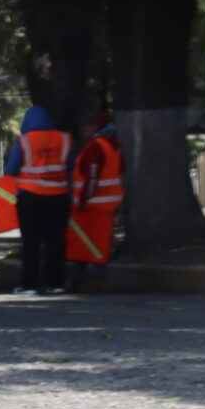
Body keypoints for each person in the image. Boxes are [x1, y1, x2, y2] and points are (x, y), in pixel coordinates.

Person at [4, 103, 73, 295]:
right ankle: (56, 284)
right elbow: (71, 165)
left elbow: (10, 170)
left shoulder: (24, 141)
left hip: (30, 197)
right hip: (58, 197)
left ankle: (29, 285)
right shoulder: (65, 139)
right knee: (56, 241)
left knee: (31, 242)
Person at [70, 113, 123, 287]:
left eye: (88, 125)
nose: (84, 129)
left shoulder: (95, 147)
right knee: (96, 243)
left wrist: (85, 199)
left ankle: (87, 279)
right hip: (106, 205)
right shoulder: (112, 146)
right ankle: (93, 278)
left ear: (95, 127)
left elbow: (92, 176)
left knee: (84, 243)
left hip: (92, 206)